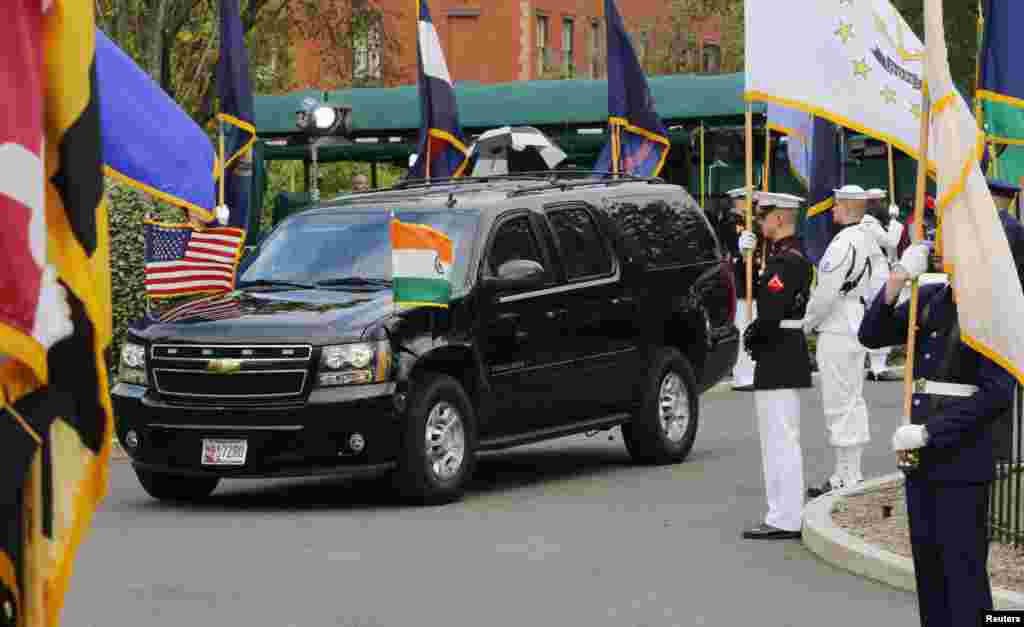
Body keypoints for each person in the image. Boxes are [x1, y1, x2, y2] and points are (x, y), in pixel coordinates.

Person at [858, 211, 1024, 627]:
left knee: (963, 577)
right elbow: (871, 335)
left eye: (946, 236)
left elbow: (998, 394)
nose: (935, 242)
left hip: (961, 460)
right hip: (922, 462)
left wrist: (930, 431)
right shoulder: (935, 297)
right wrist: (897, 280)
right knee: (930, 575)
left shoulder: (992, 312)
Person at [802, 184, 887, 498]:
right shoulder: (869, 238)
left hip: (838, 324)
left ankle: (845, 477)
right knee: (853, 399)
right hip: (858, 319)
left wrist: (807, 324)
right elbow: (880, 281)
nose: (832, 210)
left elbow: (825, 293)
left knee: (839, 403)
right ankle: (851, 471)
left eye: (835, 205)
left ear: (846, 207)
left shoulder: (842, 243)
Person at [739, 192, 815, 540]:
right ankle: (783, 511)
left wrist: (755, 334)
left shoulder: (786, 262)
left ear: (780, 218)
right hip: (783, 350)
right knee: (779, 437)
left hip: (779, 351)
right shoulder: (786, 256)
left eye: (765, 216)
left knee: (780, 438)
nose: (760, 221)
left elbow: (772, 312)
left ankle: (785, 515)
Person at [862, 188, 904, 381]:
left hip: (880, 273)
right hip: (875, 276)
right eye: (880, 203)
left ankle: (878, 366)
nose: (884, 206)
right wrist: (895, 221)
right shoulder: (868, 222)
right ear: (871, 205)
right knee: (880, 315)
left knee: (879, 316)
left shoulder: (875, 223)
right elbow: (891, 242)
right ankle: (878, 367)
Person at [727, 187, 765, 391]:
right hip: (740, 286)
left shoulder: (755, 223)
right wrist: (738, 249)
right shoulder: (729, 223)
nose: (752, 203)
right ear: (738, 201)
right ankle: (742, 376)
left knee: (754, 330)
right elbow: (727, 252)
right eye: (748, 200)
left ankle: (753, 372)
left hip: (755, 285)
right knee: (743, 330)